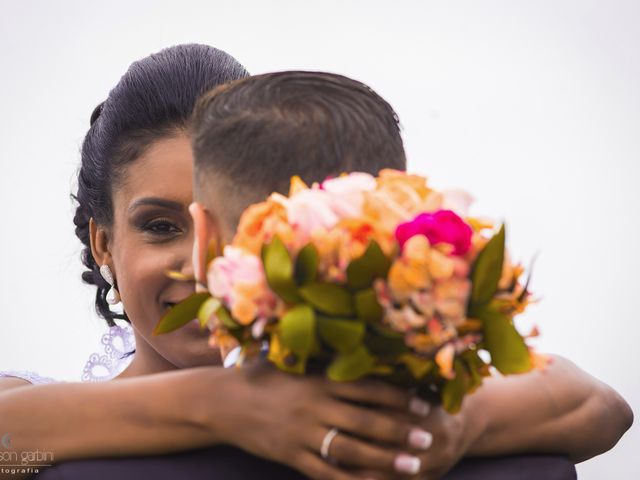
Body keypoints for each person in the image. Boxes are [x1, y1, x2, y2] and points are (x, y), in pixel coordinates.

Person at [0, 45, 435, 480]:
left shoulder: (361, 408)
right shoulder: (30, 427)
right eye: (160, 226)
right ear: (103, 244)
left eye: (237, 227)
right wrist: (219, 402)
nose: (201, 265)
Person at [187, 70, 634, 479]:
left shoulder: (134, 460)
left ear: (204, 242)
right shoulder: (534, 463)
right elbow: (606, 409)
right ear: (403, 224)